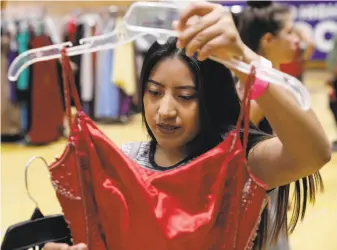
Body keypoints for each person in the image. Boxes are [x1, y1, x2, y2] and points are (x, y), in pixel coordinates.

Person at [45, 2, 331, 250]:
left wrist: (245, 58)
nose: (165, 111)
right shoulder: (125, 163)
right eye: (154, 92)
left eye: (185, 97)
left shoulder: (239, 167)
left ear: (211, 98)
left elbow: (315, 153)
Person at [236, 2, 323, 249]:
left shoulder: (266, 79)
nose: (297, 39)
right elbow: (234, 136)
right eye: (289, 32)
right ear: (268, 40)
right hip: (254, 197)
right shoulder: (259, 86)